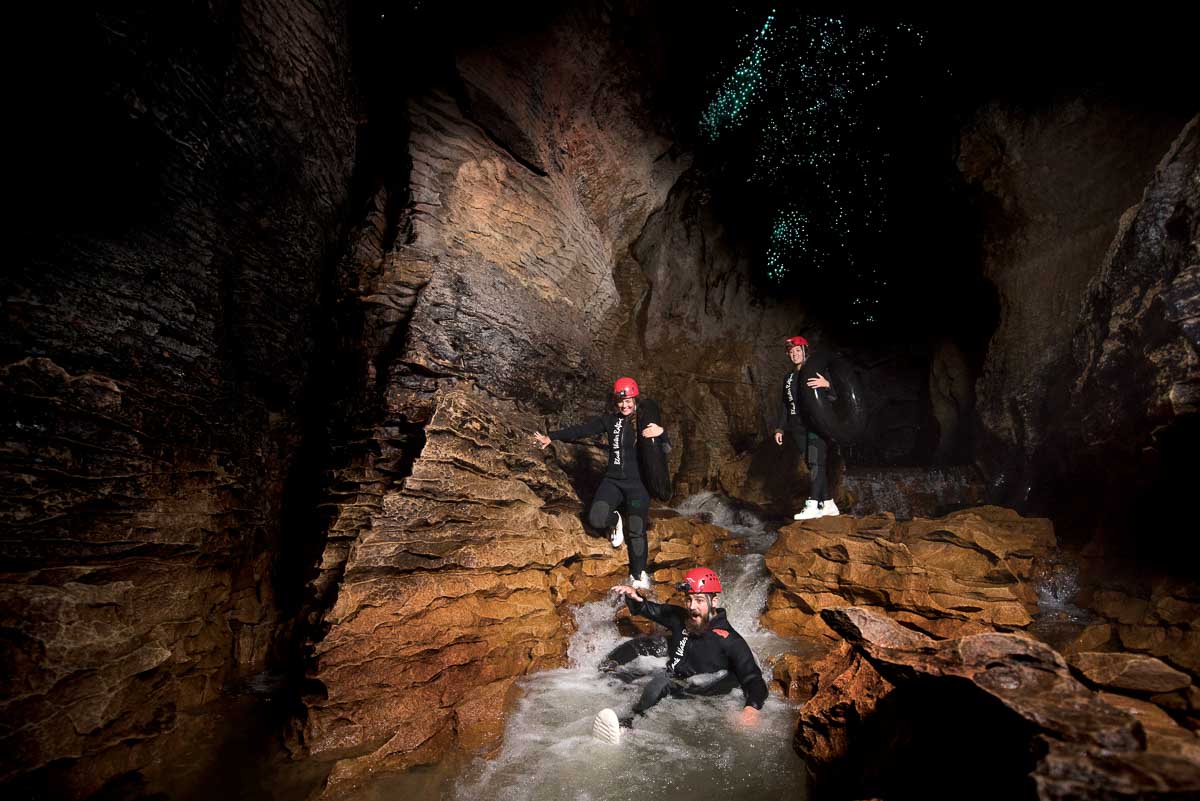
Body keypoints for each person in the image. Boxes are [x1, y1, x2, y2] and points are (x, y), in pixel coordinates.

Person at [591, 567, 768, 744]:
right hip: (673, 674)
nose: (692, 607)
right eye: (689, 600)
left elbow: (753, 678)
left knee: (660, 684)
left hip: (701, 688)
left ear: (714, 602)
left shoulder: (729, 639)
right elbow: (651, 609)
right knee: (637, 660)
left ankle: (627, 725)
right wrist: (635, 597)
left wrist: (751, 709)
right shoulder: (681, 618)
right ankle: (603, 679)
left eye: (699, 600)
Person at [533, 377, 663, 589]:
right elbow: (581, 430)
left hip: (638, 487)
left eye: (629, 400)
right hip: (612, 481)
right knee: (595, 517)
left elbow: (663, 449)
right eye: (621, 401)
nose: (625, 405)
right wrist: (552, 437)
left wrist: (661, 433)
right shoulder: (610, 421)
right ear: (615, 402)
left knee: (637, 530)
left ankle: (638, 576)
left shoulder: (644, 421)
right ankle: (615, 520)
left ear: (635, 399)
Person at [772, 335, 840, 519]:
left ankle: (812, 504)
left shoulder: (816, 371)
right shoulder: (789, 377)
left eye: (797, 351)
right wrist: (780, 428)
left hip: (816, 425)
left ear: (805, 351)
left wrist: (827, 385)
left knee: (817, 461)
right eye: (791, 352)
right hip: (797, 427)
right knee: (813, 464)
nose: (794, 354)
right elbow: (785, 405)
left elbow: (835, 397)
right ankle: (828, 503)